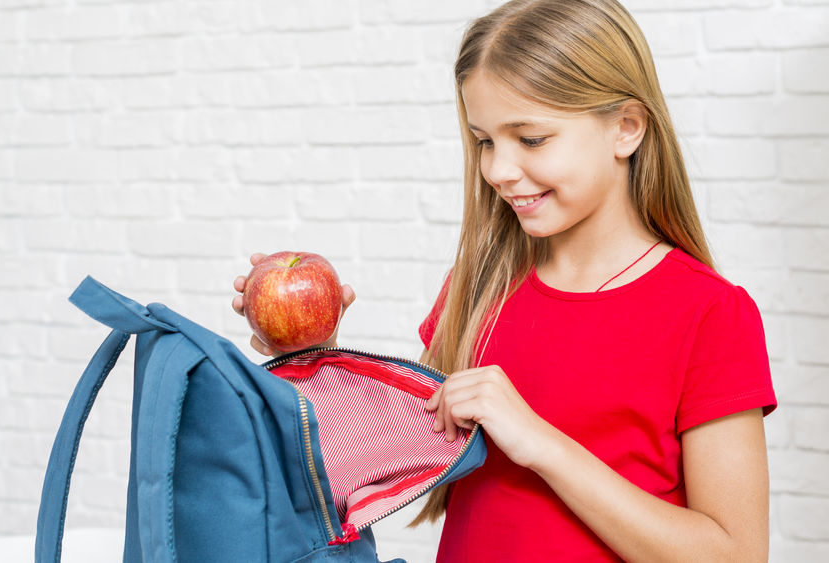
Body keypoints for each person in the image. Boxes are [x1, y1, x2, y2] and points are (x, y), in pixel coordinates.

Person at [232, 0, 777, 560]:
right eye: (485, 141)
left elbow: (734, 554)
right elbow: (381, 462)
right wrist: (310, 357)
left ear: (626, 128)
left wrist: (539, 441)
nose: (497, 170)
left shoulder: (709, 313)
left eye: (531, 139)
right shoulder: (480, 286)